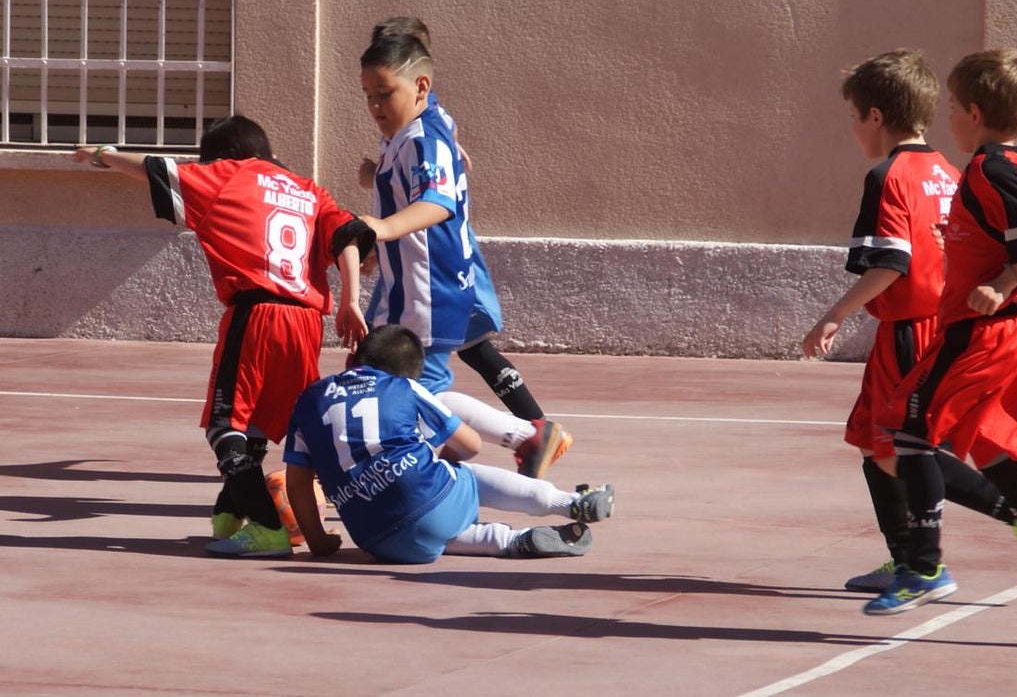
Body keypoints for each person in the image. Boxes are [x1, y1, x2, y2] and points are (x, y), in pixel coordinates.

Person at [863, 48, 1017, 635]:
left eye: (951, 106)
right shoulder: (994, 169)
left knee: (908, 432)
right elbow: (1010, 229)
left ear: (974, 111)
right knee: (988, 444)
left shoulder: (992, 165)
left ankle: (921, 567)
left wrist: (999, 282)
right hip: (998, 333)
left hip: (985, 334)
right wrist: (963, 234)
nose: (947, 116)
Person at [802, 49, 1017, 594]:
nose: (852, 128)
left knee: (905, 448)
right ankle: (908, 558)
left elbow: (892, 263)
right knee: (875, 447)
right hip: (930, 323)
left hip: (910, 328)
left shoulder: (888, 175)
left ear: (874, 117)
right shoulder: (946, 170)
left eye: (852, 116)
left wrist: (833, 315)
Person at [73, 115, 373, 558]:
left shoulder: (228, 174)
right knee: (255, 427)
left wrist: (103, 155)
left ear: (219, 157)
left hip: (257, 315)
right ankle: (231, 515)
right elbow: (351, 234)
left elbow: (157, 168)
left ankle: (269, 530)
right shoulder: (308, 189)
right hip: (307, 322)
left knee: (224, 426)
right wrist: (351, 299)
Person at [355, 28, 568, 479]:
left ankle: (524, 436)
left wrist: (383, 227)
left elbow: (438, 201)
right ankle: (382, 462)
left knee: (417, 390)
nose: (375, 105)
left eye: (384, 93)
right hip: (404, 285)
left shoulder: (424, 138)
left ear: (421, 85)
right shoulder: (407, 133)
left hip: (429, 289)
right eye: (368, 95)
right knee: (373, 374)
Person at [282, 324, 614, 562]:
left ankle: (512, 541)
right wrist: (447, 459)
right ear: (408, 375)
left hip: (377, 541)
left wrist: (319, 542)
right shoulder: (405, 388)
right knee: (458, 472)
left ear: (350, 362)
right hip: (432, 499)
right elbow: (470, 446)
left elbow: (297, 484)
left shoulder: (308, 401)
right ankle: (566, 502)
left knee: (431, 532)